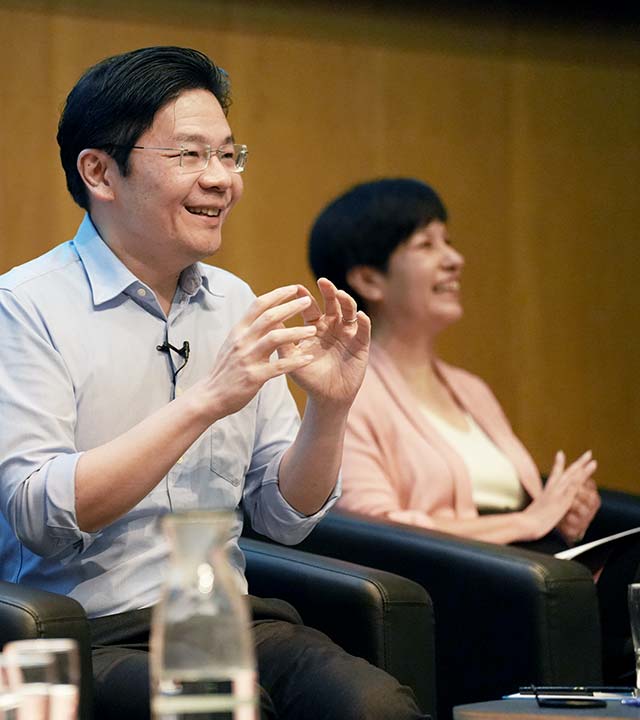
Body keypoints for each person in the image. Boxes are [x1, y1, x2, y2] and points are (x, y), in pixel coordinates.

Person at [0, 49, 427, 720]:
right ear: (100, 171)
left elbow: (285, 517)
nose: (221, 180)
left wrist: (330, 409)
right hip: (79, 635)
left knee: (373, 705)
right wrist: (206, 401)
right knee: (221, 709)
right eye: (190, 157)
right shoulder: (24, 307)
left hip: (232, 622)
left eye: (230, 156)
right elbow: (38, 516)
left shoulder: (233, 302)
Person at [308, 177, 601, 550]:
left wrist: (562, 515)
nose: (454, 260)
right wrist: (527, 522)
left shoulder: (471, 389)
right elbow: (374, 531)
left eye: (448, 241)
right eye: (426, 245)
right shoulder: (347, 398)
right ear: (369, 279)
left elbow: (526, 516)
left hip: (528, 576)